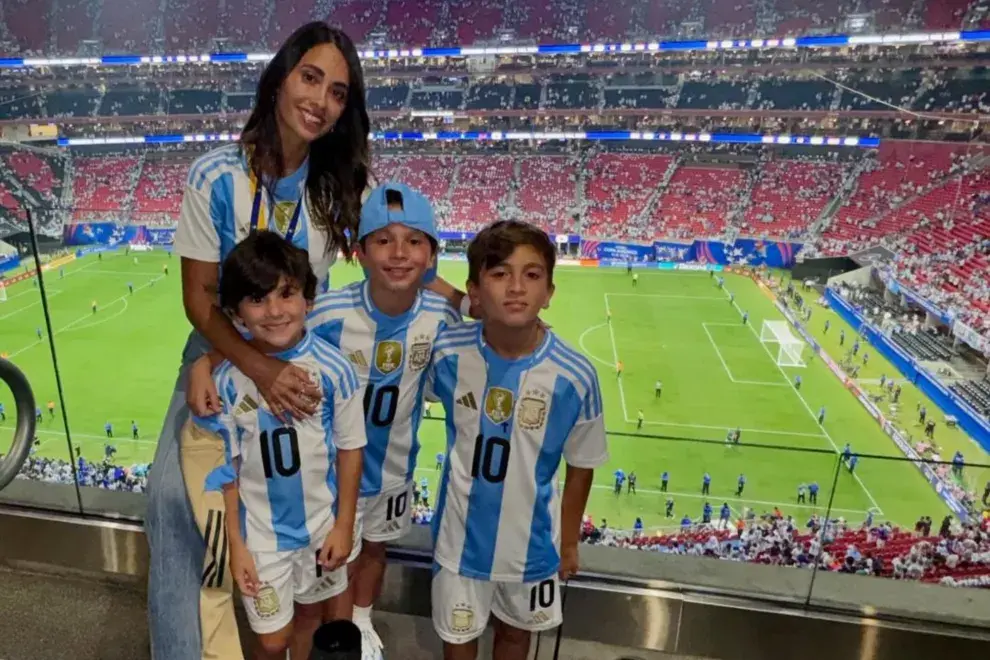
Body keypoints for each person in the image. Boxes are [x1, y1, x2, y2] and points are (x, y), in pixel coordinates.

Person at [146, 23, 374, 660]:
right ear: (278, 78)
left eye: (337, 93)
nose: (321, 100)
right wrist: (232, 361)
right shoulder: (215, 176)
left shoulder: (329, 196)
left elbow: (311, 306)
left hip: (294, 350)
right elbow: (198, 299)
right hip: (219, 348)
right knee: (172, 502)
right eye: (310, 78)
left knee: (315, 482)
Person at [427, 221, 608, 660]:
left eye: (531, 275)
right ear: (474, 288)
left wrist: (568, 542)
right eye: (500, 273)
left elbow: (582, 464)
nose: (515, 287)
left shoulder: (576, 375)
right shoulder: (447, 352)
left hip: (533, 545)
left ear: (549, 291)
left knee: (515, 639)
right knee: (457, 641)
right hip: (459, 540)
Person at [302, 182, 460, 655]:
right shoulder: (328, 313)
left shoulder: (442, 318)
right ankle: (338, 636)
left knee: (374, 549)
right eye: (384, 240)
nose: (398, 253)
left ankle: (363, 622)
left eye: (414, 241)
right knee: (334, 558)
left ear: (431, 254)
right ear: (360, 252)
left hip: (395, 468)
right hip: (333, 474)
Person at [193, 234, 365, 659]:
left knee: (309, 616)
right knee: (271, 640)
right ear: (235, 314)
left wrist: (343, 525)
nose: (274, 310)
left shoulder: (335, 370)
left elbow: (350, 449)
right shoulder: (229, 382)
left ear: (308, 299)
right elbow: (228, 468)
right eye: (257, 299)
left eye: (286, 294)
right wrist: (237, 544)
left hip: (321, 525)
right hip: (263, 536)